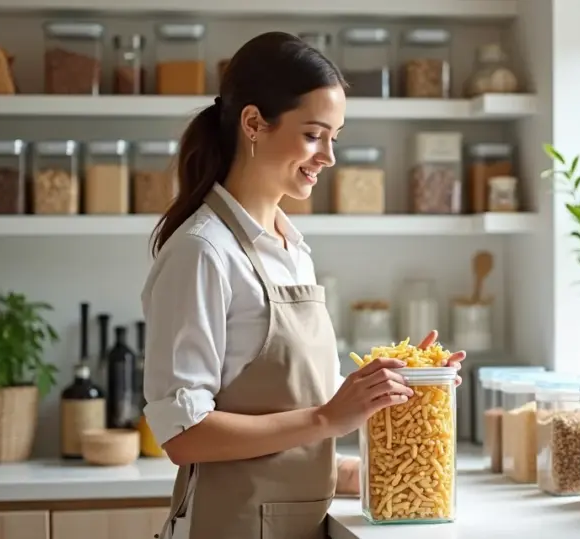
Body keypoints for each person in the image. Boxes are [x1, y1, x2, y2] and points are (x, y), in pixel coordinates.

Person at [140, 32, 465, 539]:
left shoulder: (292, 250)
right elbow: (185, 435)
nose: (329, 156)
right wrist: (328, 419)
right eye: (314, 134)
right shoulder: (203, 252)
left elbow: (299, 421)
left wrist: (407, 395)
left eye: (335, 136)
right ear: (253, 123)